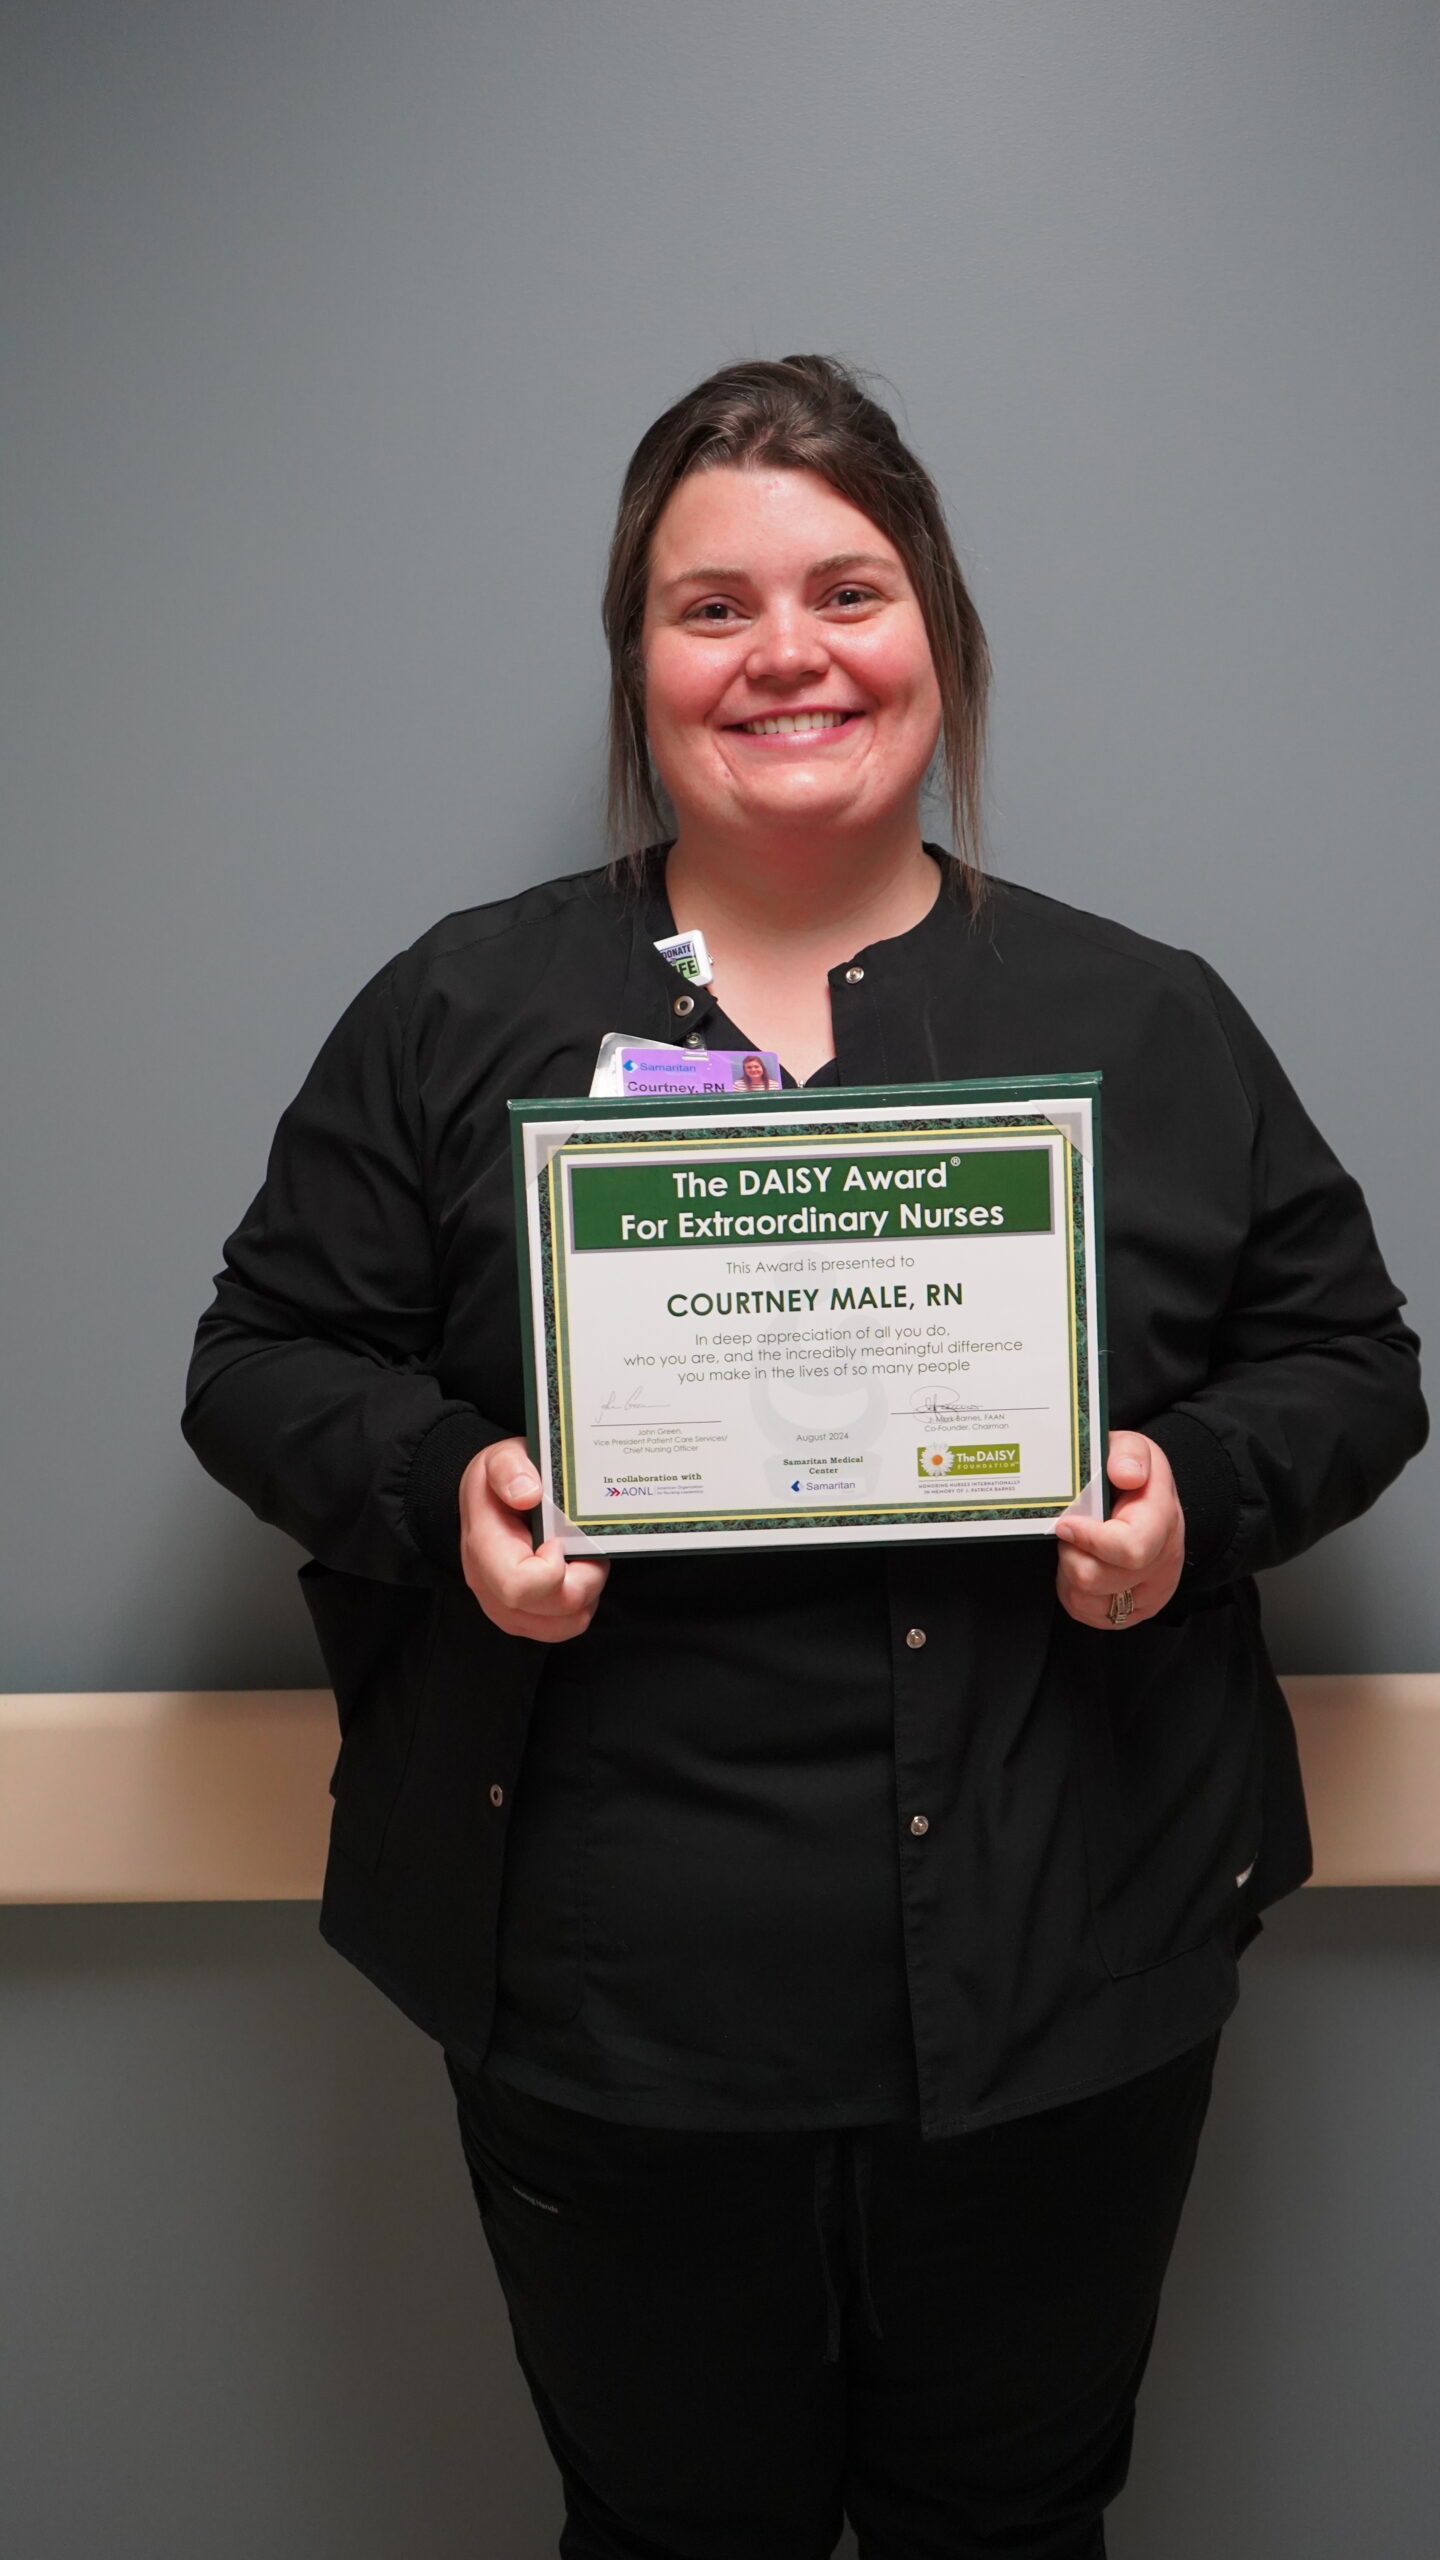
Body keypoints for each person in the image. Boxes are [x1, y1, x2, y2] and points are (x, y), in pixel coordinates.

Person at [183, 355, 1425, 2560]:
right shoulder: (460, 1013)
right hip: (612, 2013)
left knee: (1016, 2522)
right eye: (708, 605)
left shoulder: (1144, 1015)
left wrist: (1188, 1500)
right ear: (637, 663)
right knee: (670, 2529)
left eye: (846, 588)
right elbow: (264, 1356)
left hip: (1069, 1981)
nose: (785, 653)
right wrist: (449, 1486)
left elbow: (1344, 1355)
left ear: (934, 629)